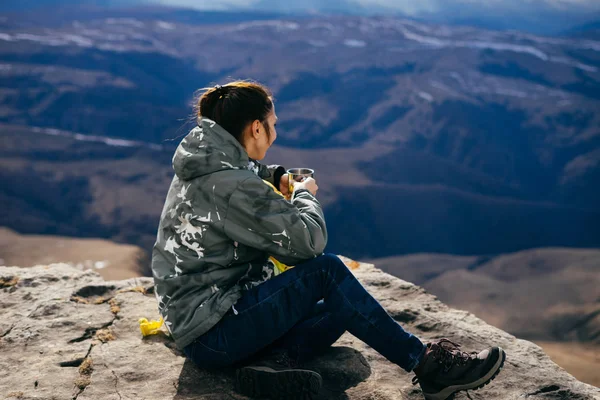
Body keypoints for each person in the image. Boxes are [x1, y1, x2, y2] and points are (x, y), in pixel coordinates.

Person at [151, 80, 506, 400]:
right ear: (256, 127)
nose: (275, 133)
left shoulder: (206, 162)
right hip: (213, 334)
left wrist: (274, 176)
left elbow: (243, 173)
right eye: (273, 125)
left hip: (203, 322)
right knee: (329, 273)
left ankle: (272, 363)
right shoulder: (230, 185)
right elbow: (309, 244)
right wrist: (305, 195)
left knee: (344, 309)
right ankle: (428, 366)